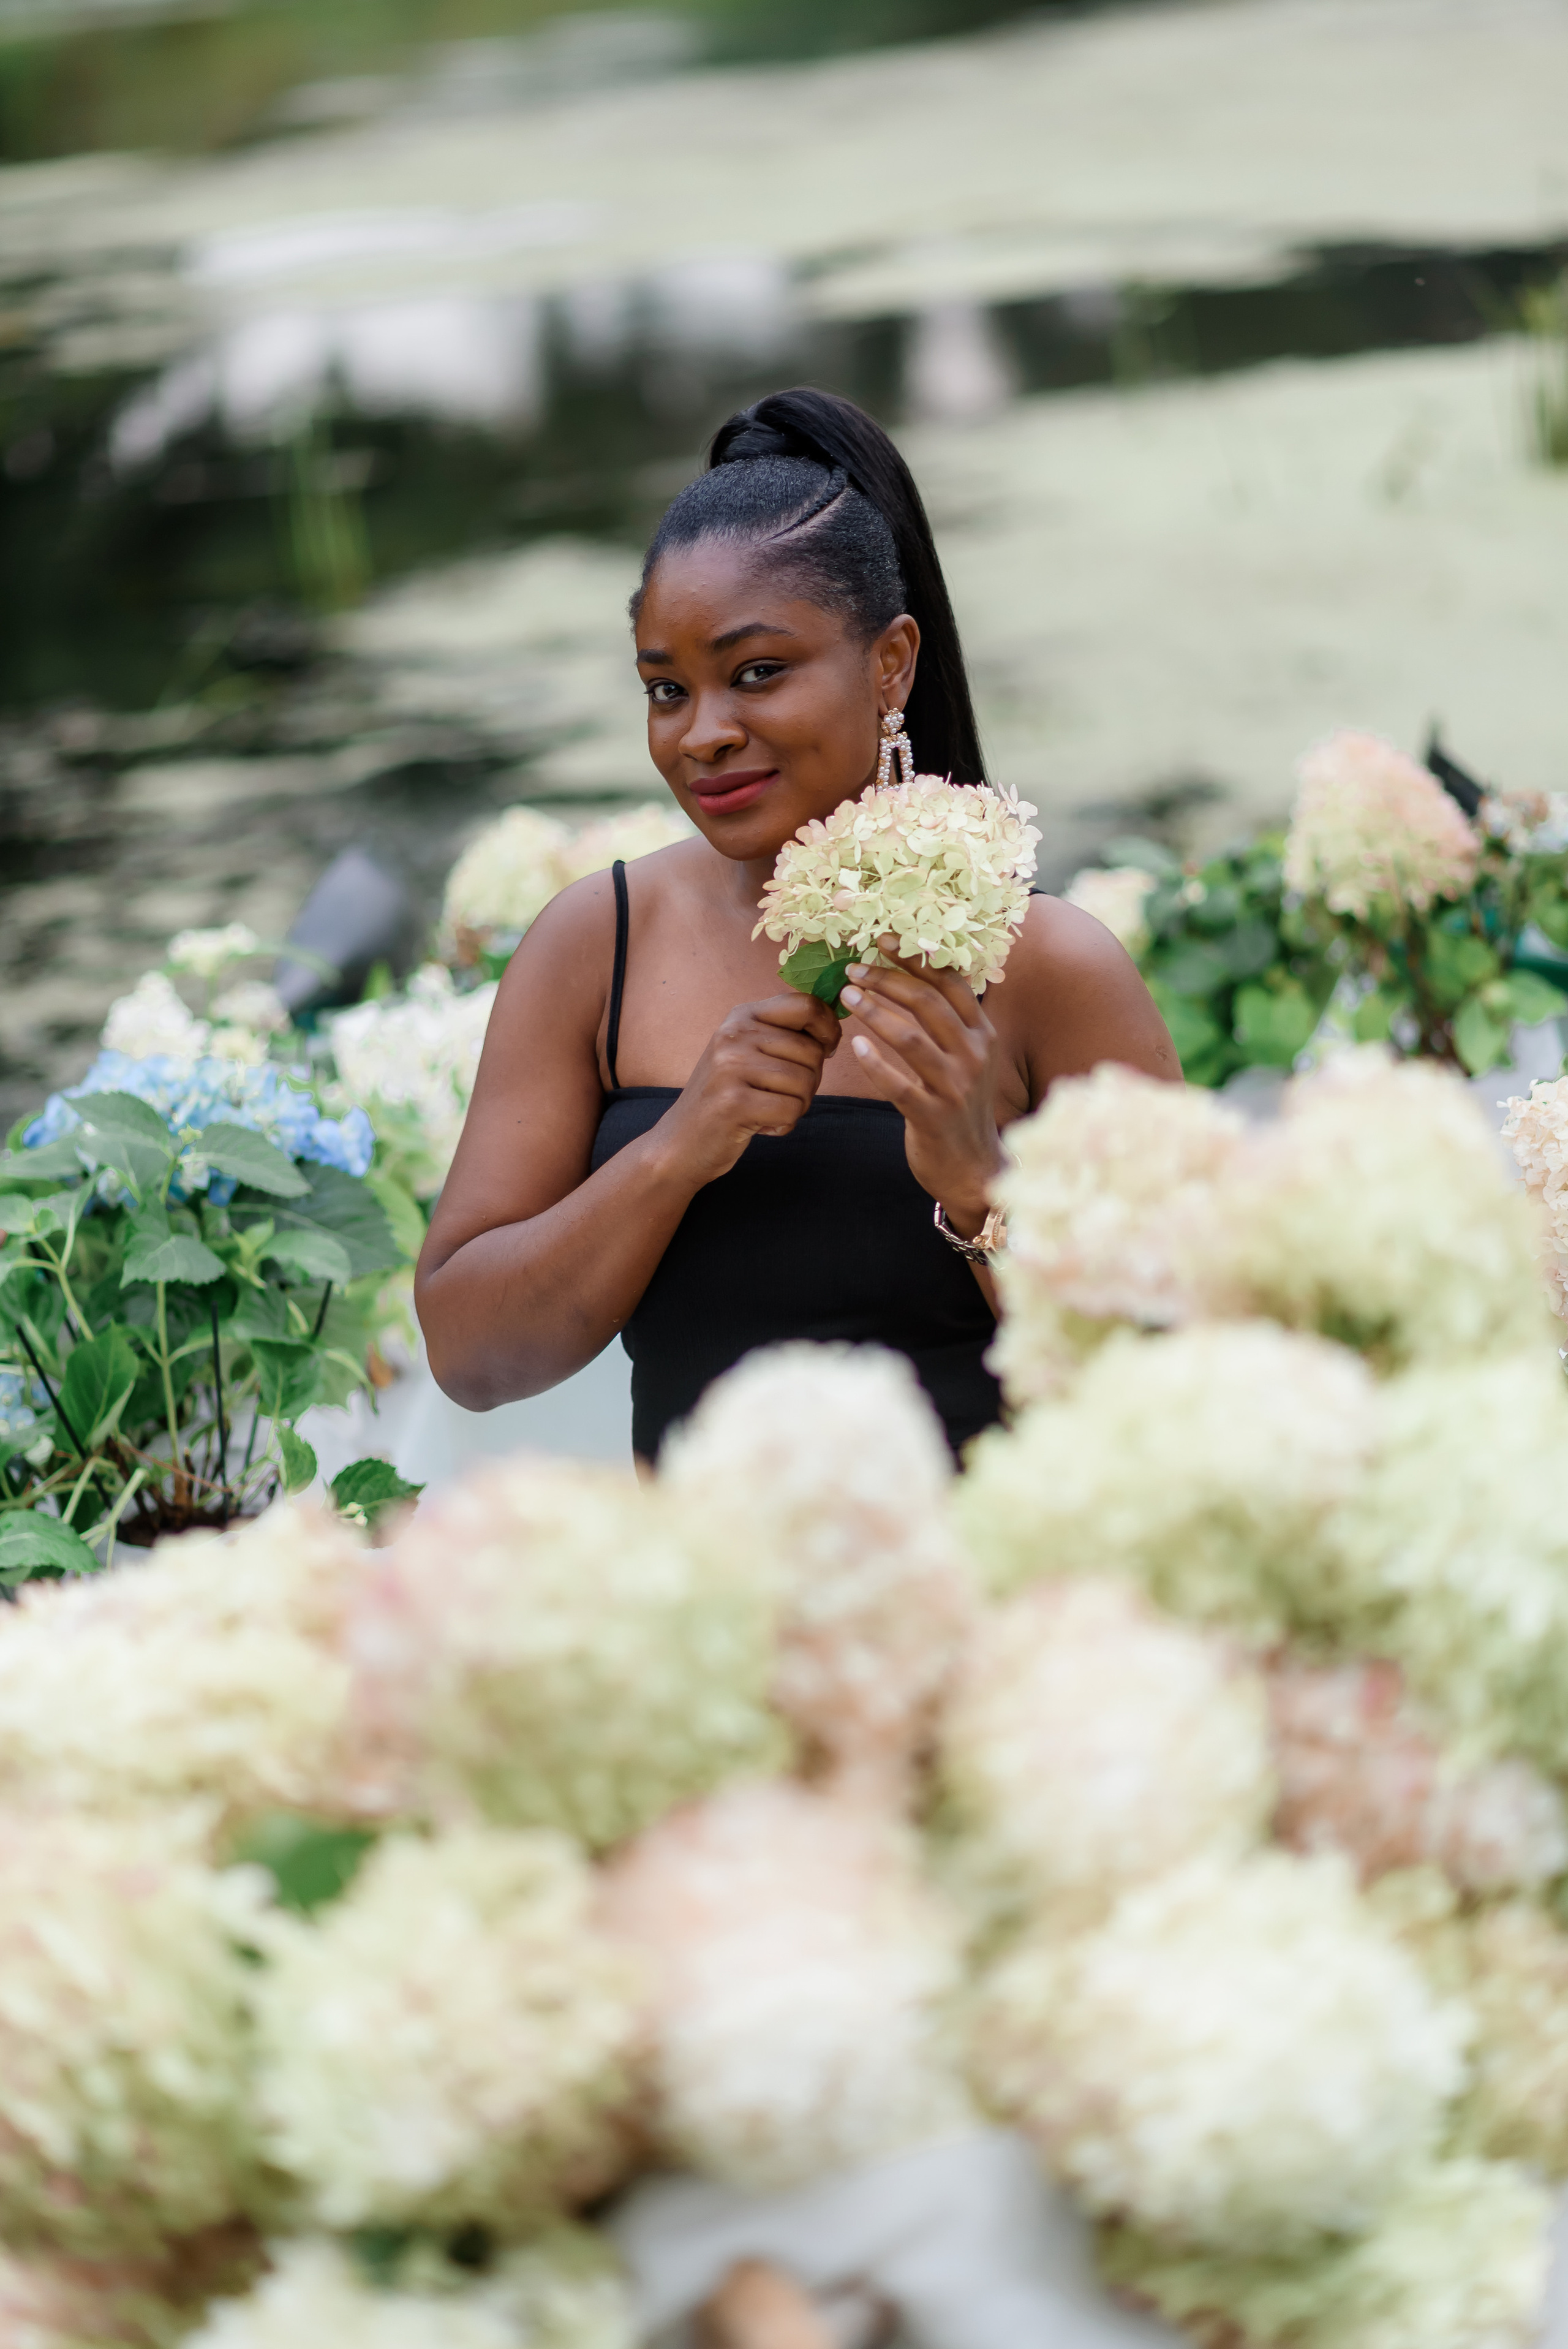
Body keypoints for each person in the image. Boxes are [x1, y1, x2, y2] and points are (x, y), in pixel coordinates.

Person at [417, 388, 1176, 1464]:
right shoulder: (597, 946)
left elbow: (1186, 1379)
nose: (704, 734)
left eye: (758, 673)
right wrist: (672, 1153)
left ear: (891, 663)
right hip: (705, 1609)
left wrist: (977, 1185)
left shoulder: (1049, 967)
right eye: (666, 689)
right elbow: (471, 1356)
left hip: (996, 1598)